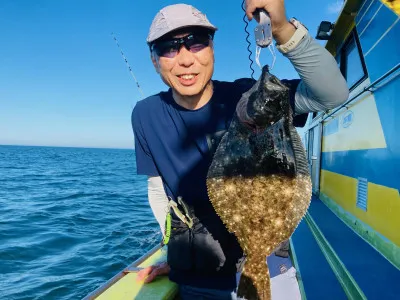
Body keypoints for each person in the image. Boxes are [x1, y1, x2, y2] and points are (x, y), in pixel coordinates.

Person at [132, 1, 349, 299]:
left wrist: (283, 30)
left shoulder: (251, 99)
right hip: (200, 278)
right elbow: (160, 192)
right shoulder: (145, 115)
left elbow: (333, 93)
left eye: (196, 42)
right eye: (169, 48)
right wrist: (171, 253)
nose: (185, 59)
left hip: (272, 269)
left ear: (212, 48)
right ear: (154, 60)